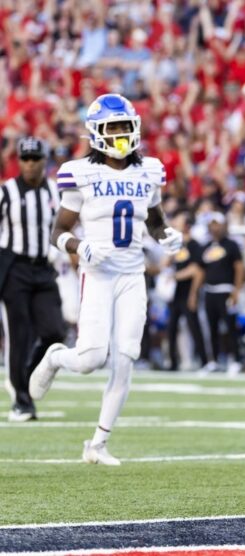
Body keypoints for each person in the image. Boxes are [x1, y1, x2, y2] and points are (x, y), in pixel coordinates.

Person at [29, 94, 182, 465]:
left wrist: (167, 236)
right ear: (97, 132)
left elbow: (155, 220)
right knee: (91, 359)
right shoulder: (80, 172)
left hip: (132, 273)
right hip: (97, 273)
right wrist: (80, 248)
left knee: (126, 356)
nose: (119, 134)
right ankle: (55, 358)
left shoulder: (148, 172)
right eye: (112, 127)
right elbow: (58, 232)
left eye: (124, 126)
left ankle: (97, 444)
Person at [0, 137, 66, 421]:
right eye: (24, 159)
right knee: (20, 334)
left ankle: (25, 377)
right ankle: (22, 400)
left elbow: (67, 225)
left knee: (55, 332)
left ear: (44, 160)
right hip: (14, 267)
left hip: (44, 267)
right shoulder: (7, 192)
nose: (29, 164)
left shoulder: (56, 190)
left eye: (34, 158)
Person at [192, 212, 244, 375]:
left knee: (230, 327)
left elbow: (239, 268)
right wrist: (194, 292)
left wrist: (236, 290)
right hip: (209, 291)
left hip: (226, 290)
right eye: (212, 224)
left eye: (217, 224)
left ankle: (235, 360)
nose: (214, 227)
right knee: (211, 328)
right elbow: (200, 271)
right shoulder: (205, 247)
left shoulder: (231, 245)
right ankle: (212, 361)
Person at [165, 212, 208, 371]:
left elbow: (198, 271)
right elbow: (166, 264)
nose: (175, 223)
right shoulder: (177, 245)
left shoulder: (194, 245)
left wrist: (193, 294)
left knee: (194, 327)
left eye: (180, 221)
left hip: (189, 291)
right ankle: (173, 362)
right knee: (171, 328)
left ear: (187, 226)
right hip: (178, 292)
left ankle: (205, 361)